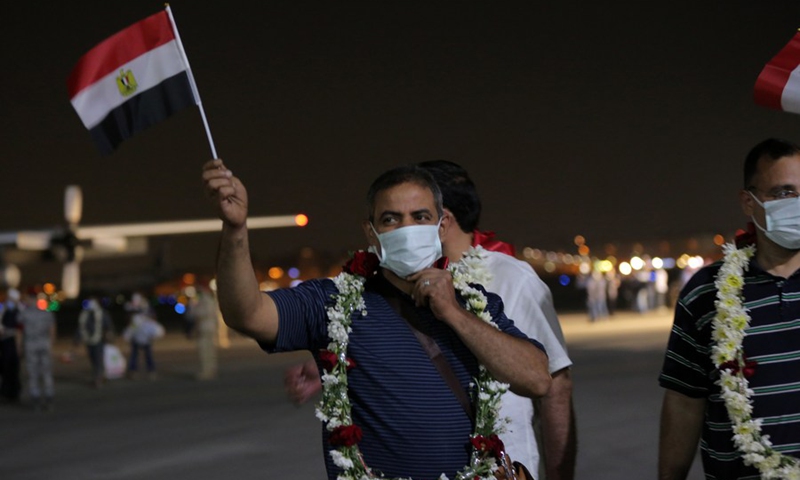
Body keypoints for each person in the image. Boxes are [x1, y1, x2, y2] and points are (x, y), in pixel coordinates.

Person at [203, 159, 551, 480]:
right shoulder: (332, 303)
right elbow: (246, 313)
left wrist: (454, 314)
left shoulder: (476, 304)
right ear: (371, 233)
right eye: (391, 219)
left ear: (442, 226)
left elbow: (537, 380)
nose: (406, 228)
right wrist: (235, 229)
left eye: (420, 217)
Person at [658, 138, 800, 479]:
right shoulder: (706, 292)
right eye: (784, 193)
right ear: (749, 202)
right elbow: (684, 401)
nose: (796, 203)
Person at [17, 292, 56, 412]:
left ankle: (36, 398)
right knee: (46, 371)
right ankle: (49, 397)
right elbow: (52, 329)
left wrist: (19, 346)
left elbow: (19, 331)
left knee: (33, 372)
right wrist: (51, 343)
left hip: (31, 345)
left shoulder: (24, 313)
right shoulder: (46, 313)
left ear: (30, 299)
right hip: (44, 344)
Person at [122, 293, 164, 380]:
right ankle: (134, 371)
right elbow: (131, 326)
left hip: (145, 337)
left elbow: (153, 323)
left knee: (147, 355)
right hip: (137, 337)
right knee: (135, 355)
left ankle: (150, 371)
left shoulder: (145, 310)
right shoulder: (133, 311)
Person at [75, 296, 114, 388]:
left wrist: (110, 335)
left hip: (99, 340)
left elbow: (108, 326)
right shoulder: (85, 314)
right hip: (88, 340)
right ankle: (100, 376)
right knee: (93, 359)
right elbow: (81, 327)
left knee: (98, 359)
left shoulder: (102, 313)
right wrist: (77, 339)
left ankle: (98, 378)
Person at [187, 286, 219, 380]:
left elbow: (194, 315)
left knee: (204, 350)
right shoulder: (211, 301)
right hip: (211, 327)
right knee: (210, 349)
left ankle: (206, 371)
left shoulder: (201, 302)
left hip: (203, 327)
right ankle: (211, 368)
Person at [0, 288, 22, 403]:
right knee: (5, 367)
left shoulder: (20, 309)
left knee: (13, 368)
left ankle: (13, 392)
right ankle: (6, 391)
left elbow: (20, 328)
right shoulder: (2, 308)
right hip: (4, 342)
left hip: (14, 342)